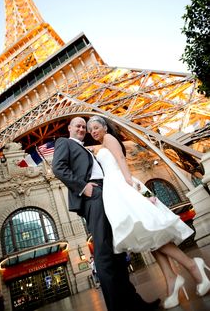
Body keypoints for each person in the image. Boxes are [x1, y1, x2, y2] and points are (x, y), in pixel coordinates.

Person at [87, 115, 210, 309]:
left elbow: (120, 159)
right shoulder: (101, 144)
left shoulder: (109, 139)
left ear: (104, 127)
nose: (93, 131)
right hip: (115, 188)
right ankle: (171, 278)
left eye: (95, 127)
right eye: (90, 130)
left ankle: (192, 266)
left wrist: (130, 183)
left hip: (122, 185)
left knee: (150, 231)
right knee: (148, 236)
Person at [52, 117, 161, 311]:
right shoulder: (64, 143)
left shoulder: (88, 149)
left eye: (84, 127)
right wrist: (83, 187)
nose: (81, 128)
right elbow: (58, 168)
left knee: (116, 251)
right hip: (93, 195)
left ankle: (134, 304)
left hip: (108, 192)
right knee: (103, 253)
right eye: (77, 125)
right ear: (69, 128)